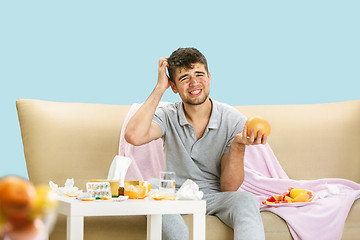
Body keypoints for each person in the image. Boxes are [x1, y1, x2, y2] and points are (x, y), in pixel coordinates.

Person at [125, 48, 267, 240]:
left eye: (199, 75)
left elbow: (229, 187)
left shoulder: (233, 120)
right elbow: (133, 135)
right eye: (184, 78)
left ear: (208, 77)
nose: (194, 83)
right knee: (150, 186)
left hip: (215, 196)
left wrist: (238, 146)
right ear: (173, 87)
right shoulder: (168, 114)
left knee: (246, 199)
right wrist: (160, 88)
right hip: (174, 194)